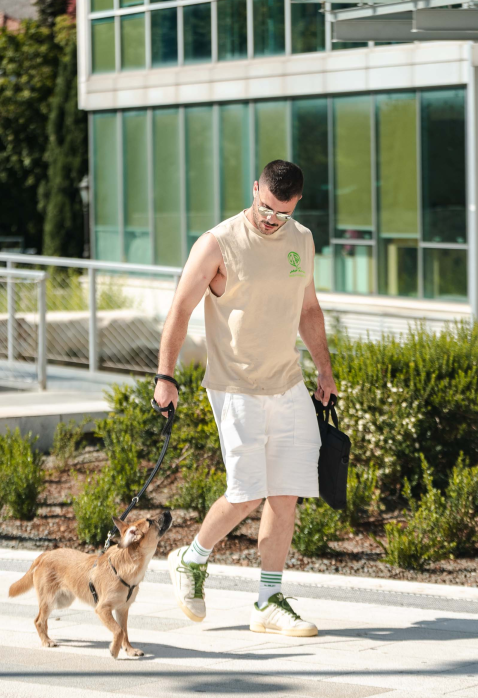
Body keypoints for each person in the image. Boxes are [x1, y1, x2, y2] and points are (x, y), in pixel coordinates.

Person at [152, 159, 338, 638]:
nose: (272, 219)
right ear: (255, 190)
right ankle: (190, 560)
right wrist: (165, 375)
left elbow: (309, 307)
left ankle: (268, 600)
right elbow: (180, 309)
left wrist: (324, 368)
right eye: (266, 208)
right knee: (247, 492)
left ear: (296, 205)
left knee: (286, 494)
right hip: (235, 387)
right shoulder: (218, 243)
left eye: (283, 212)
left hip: (288, 384)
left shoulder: (301, 239)